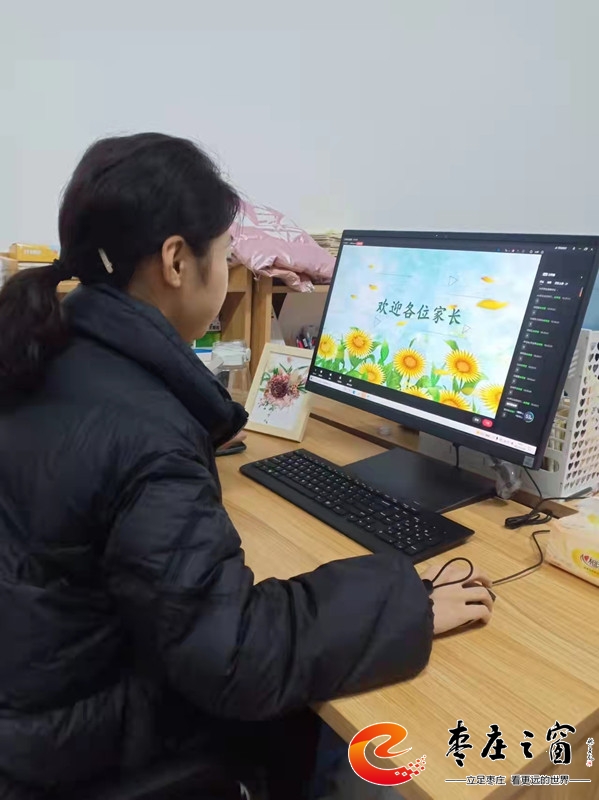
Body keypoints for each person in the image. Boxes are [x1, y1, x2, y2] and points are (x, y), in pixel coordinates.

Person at [0, 133, 494, 799]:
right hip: (68, 739)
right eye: (226, 252)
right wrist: (403, 602)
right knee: (357, 738)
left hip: (38, 697)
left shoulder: (49, 350)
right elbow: (231, 656)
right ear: (177, 261)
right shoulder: (145, 433)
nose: (230, 265)